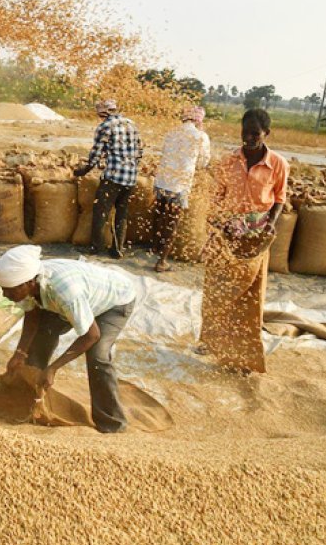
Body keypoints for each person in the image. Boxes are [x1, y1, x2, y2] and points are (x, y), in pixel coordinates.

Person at [0, 245, 136, 433]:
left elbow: (91, 335)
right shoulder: (31, 281)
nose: (5, 295)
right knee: (41, 334)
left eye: (8, 291)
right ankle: (30, 400)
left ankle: (112, 422)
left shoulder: (66, 293)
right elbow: (32, 315)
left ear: (28, 283)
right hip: (79, 298)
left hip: (115, 303)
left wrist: (53, 368)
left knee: (97, 356)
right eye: (3, 290)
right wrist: (20, 353)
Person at [198, 109, 289, 375]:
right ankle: (210, 340)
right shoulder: (229, 161)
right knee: (217, 287)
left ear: (266, 134)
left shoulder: (278, 164)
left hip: (255, 236)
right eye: (245, 132)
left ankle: (243, 346)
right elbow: (217, 196)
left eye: (255, 133)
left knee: (248, 291)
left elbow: (279, 198)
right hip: (228, 231)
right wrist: (217, 221)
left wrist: (270, 223)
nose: (249, 138)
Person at [73, 99, 143, 259]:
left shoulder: (105, 126)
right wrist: (130, 166)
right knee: (122, 213)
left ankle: (95, 247)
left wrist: (84, 170)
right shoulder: (131, 124)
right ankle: (117, 249)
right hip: (131, 177)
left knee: (100, 211)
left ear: (102, 113)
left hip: (113, 177)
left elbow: (96, 154)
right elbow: (140, 151)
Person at [152, 106, 211, 272]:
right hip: (179, 186)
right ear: (199, 120)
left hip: (162, 180)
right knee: (172, 223)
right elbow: (203, 162)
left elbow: (164, 152)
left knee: (159, 215)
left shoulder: (172, 132)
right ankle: (161, 261)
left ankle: (155, 248)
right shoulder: (200, 136)